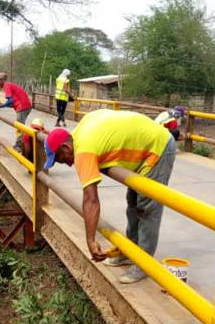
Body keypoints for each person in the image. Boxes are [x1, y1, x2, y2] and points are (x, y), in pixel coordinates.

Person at [43, 109, 177, 284]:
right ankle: (129, 251)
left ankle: (144, 264)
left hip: (158, 148)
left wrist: (90, 240)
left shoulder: (84, 151)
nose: (68, 164)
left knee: (147, 208)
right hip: (145, 148)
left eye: (62, 159)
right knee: (133, 203)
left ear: (66, 147)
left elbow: (90, 200)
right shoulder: (80, 132)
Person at [0, 72, 33, 149]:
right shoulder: (9, 85)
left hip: (22, 106)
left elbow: (10, 101)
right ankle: (20, 143)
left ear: (2, 80)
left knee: (20, 126)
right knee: (20, 125)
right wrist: (2, 106)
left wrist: (2, 105)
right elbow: (12, 102)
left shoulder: (6, 85)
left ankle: (20, 145)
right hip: (25, 106)